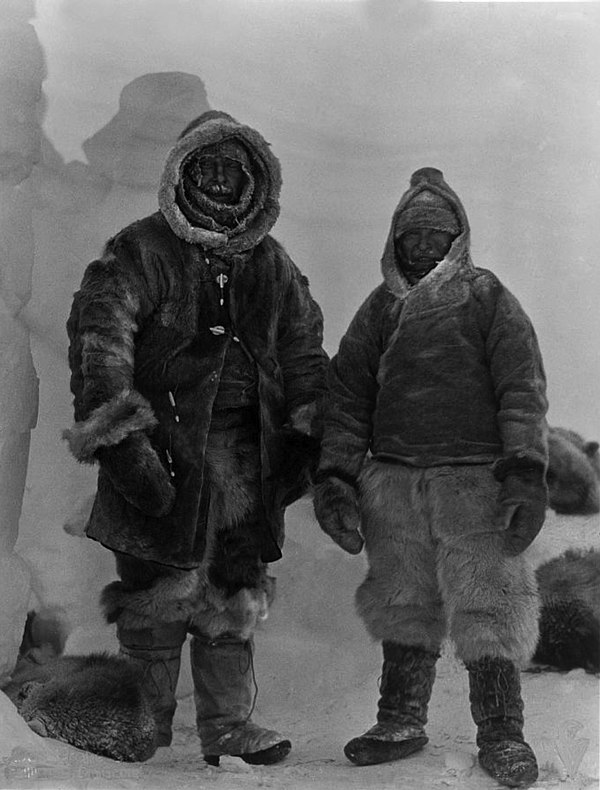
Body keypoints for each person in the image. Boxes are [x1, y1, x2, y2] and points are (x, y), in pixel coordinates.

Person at [64, 110, 328, 766]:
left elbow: (303, 347)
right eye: (204, 169)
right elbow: (100, 340)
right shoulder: (140, 250)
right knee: (156, 590)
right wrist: (123, 442)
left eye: (231, 172)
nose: (217, 182)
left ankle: (229, 729)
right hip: (164, 454)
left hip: (246, 455)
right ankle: (143, 722)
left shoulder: (271, 263)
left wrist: (307, 429)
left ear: (254, 185)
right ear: (180, 174)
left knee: (233, 591)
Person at [313, 167, 548, 788]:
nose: (422, 246)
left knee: (489, 605)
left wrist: (524, 471)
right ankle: (399, 719)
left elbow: (521, 387)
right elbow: (347, 397)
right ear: (395, 240)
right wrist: (336, 476)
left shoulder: (486, 296)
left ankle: (502, 733)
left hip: (475, 483)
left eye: (434, 235)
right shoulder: (380, 307)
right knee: (404, 601)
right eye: (411, 235)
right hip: (392, 484)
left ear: (457, 239)